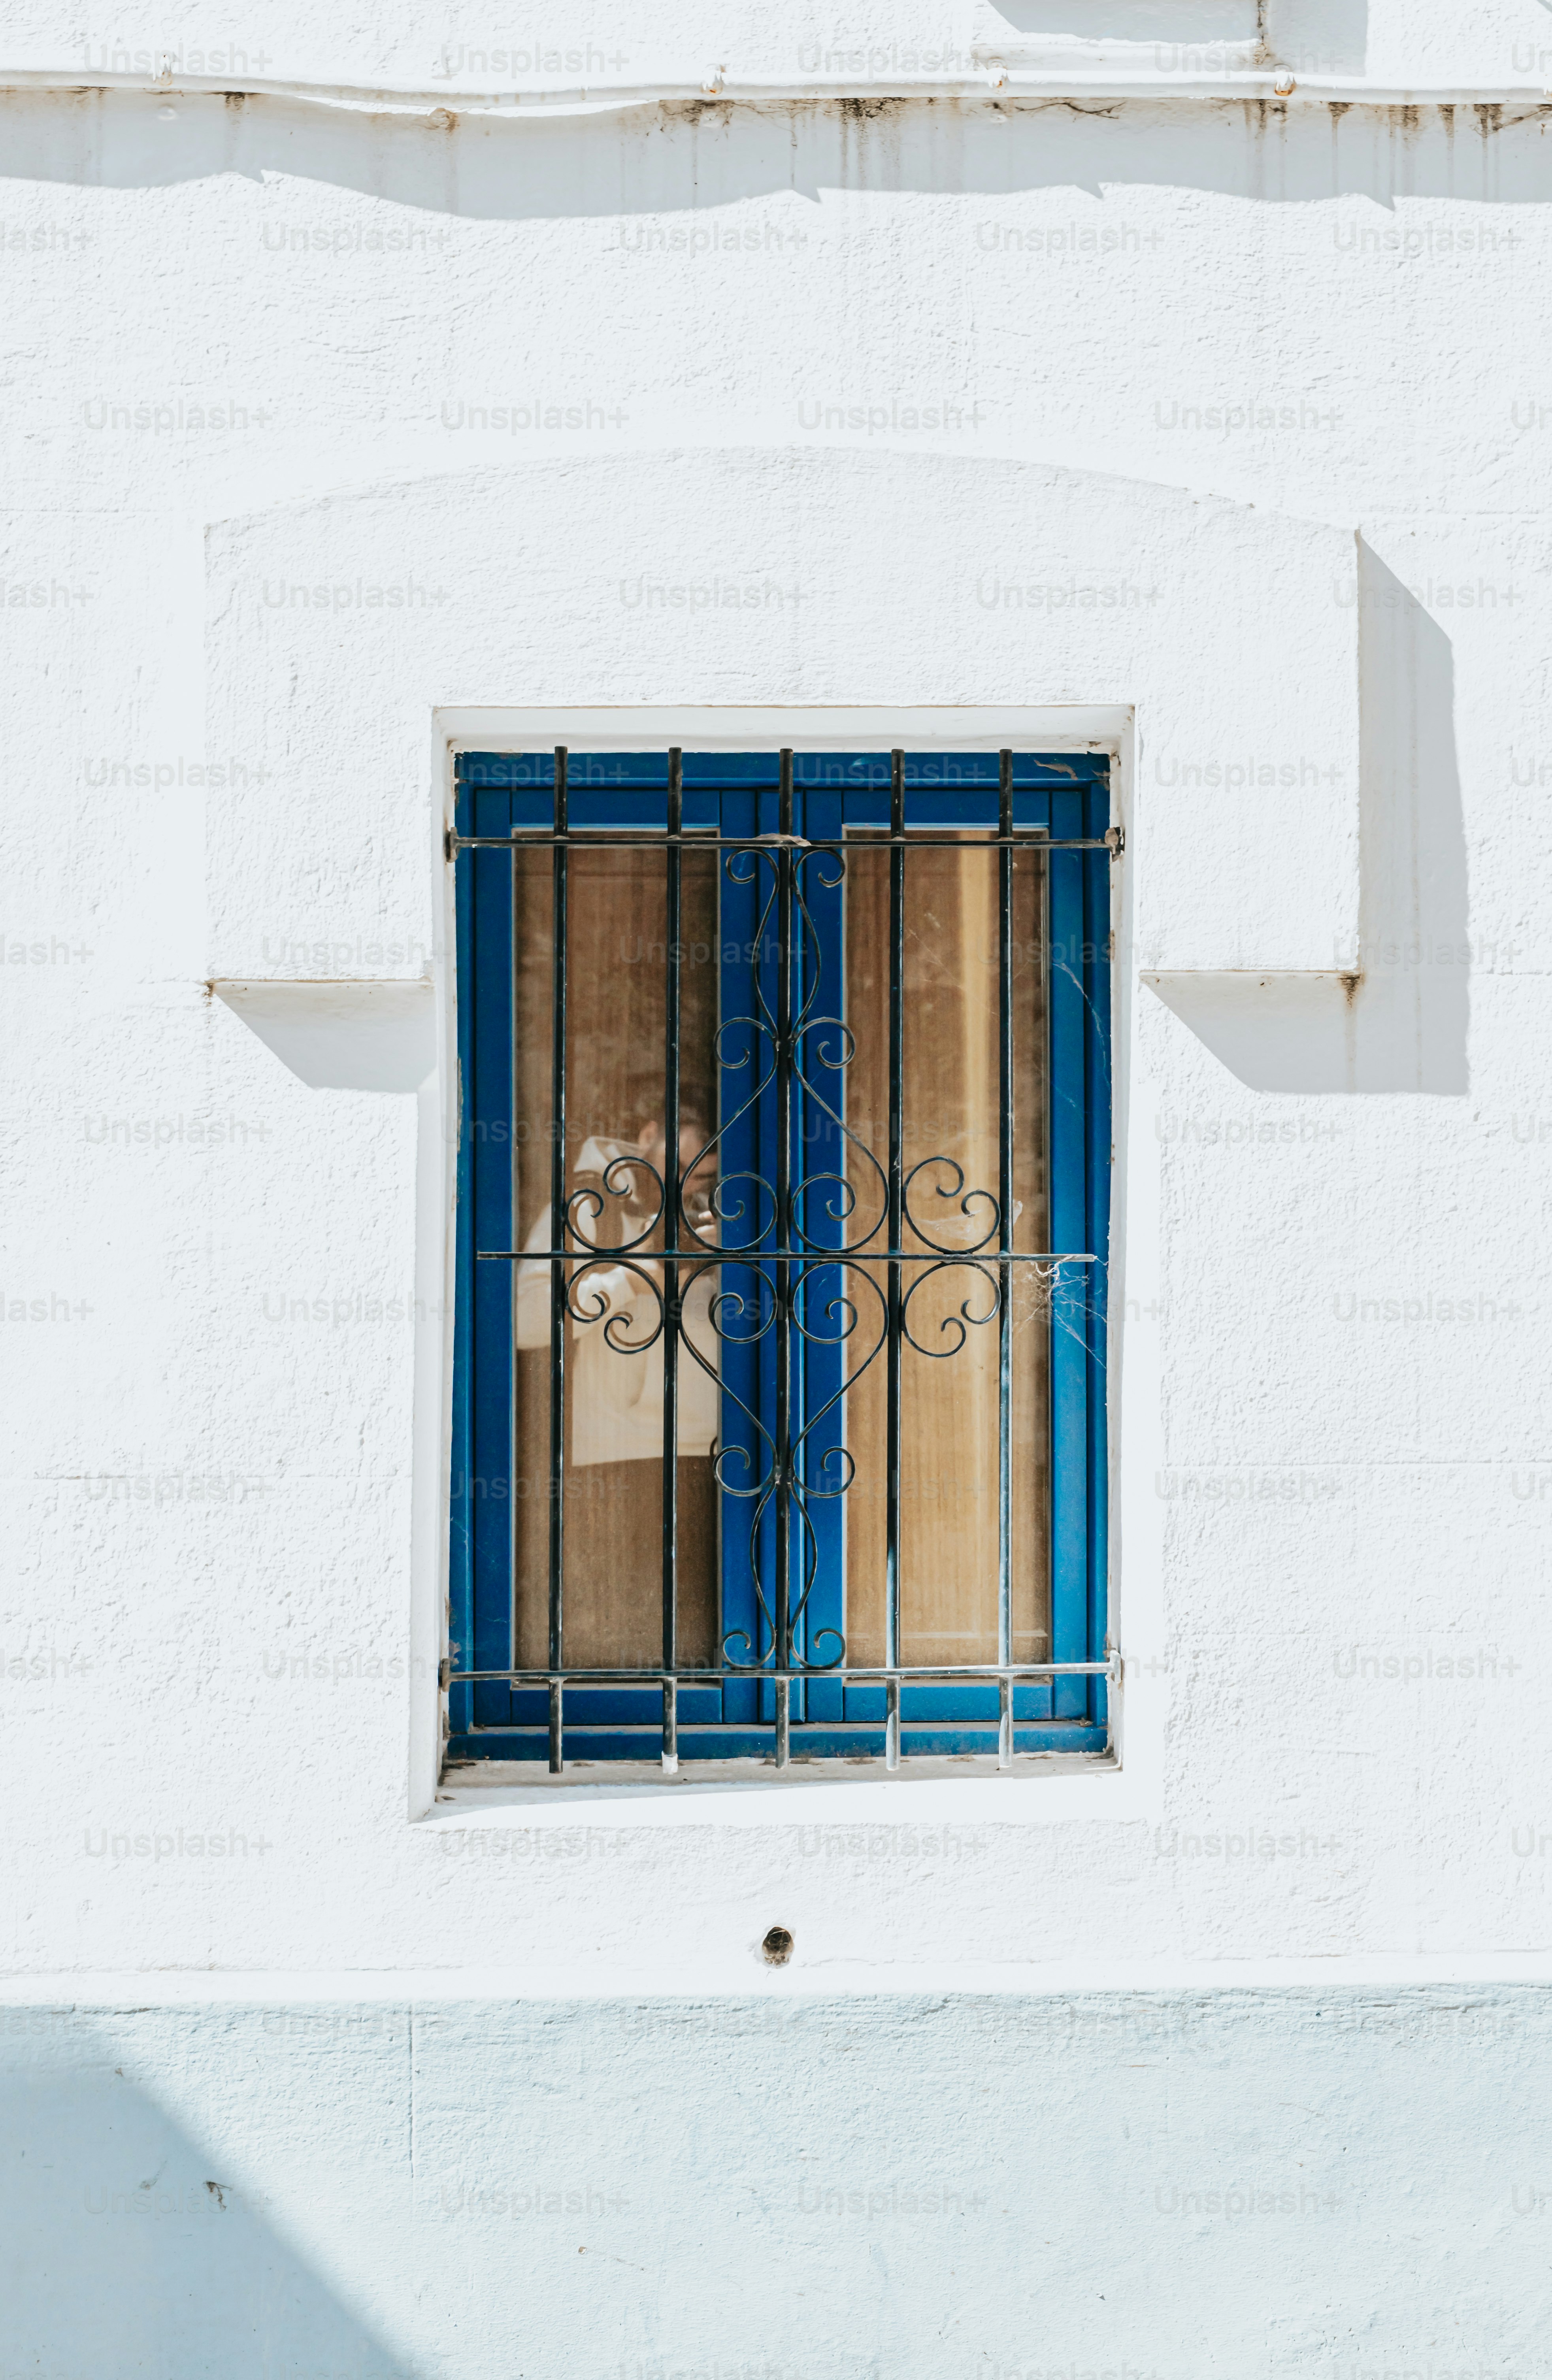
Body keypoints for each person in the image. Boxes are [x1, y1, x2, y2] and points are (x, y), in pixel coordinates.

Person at [513, 1089, 720, 1468]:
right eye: (675, 1164)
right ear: (648, 1136)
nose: (682, 1184)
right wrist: (629, 1282)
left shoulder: (718, 1213)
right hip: (616, 1453)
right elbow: (525, 1321)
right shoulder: (587, 1204)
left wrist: (726, 1265)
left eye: (701, 1177)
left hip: (717, 1449)